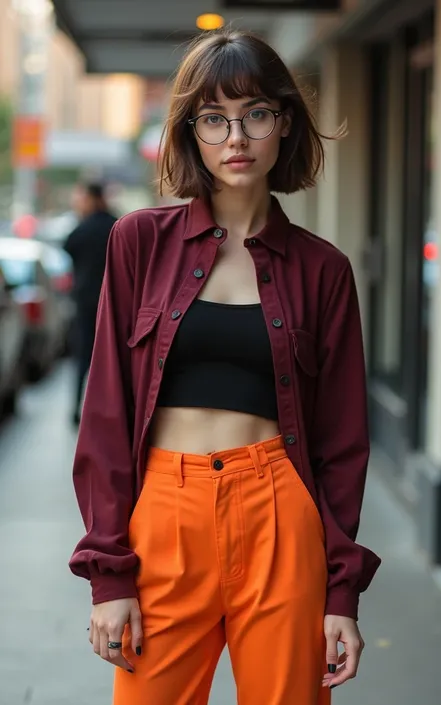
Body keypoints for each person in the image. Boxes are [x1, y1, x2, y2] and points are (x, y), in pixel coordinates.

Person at [69, 28, 381, 705]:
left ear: (284, 124)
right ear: (191, 133)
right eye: (214, 118)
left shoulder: (322, 269)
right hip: (164, 515)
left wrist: (341, 591)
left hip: (279, 513)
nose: (235, 137)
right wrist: (110, 577)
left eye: (255, 114)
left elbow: (342, 442)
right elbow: (106, 411)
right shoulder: (138, 243)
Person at [64, 182, 117, 425]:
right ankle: (111, 409)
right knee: (113, 357)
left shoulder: (82, 229)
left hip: (86, 302)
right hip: (115, 301)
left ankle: (77, 408)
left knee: (84, 356)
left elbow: (68, 247)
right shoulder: (116, 226)